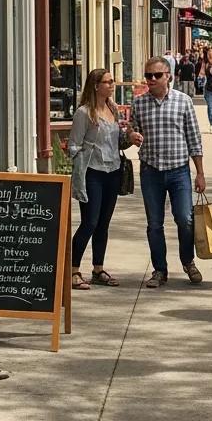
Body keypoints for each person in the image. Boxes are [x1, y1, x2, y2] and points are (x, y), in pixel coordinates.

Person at [129, 57, 205, 287]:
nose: (151, 79)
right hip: (151, 170)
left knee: (185, 218)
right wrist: (131, 136)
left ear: (168, 76)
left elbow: (194, 138)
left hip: (178, 170)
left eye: (156, 75)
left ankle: (188, 261)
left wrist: (200, 173)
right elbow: (131, 131)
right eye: (148, 75)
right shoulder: (139, 103)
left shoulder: (183, 102)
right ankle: (159, 270)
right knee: (155, 223)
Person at [68, 69, 128, 290]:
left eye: (113, 81)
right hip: (92, 172)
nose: (113, 84)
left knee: (103, 224)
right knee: (90, 222)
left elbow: (118, 141)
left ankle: (98, 269)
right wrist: (83, 157)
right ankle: (73, 270)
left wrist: (129, 138)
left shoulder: (113, 109)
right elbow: (73, 145)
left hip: (112, 171)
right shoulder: (84, 113)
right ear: (96, 85)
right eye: (108, 82)